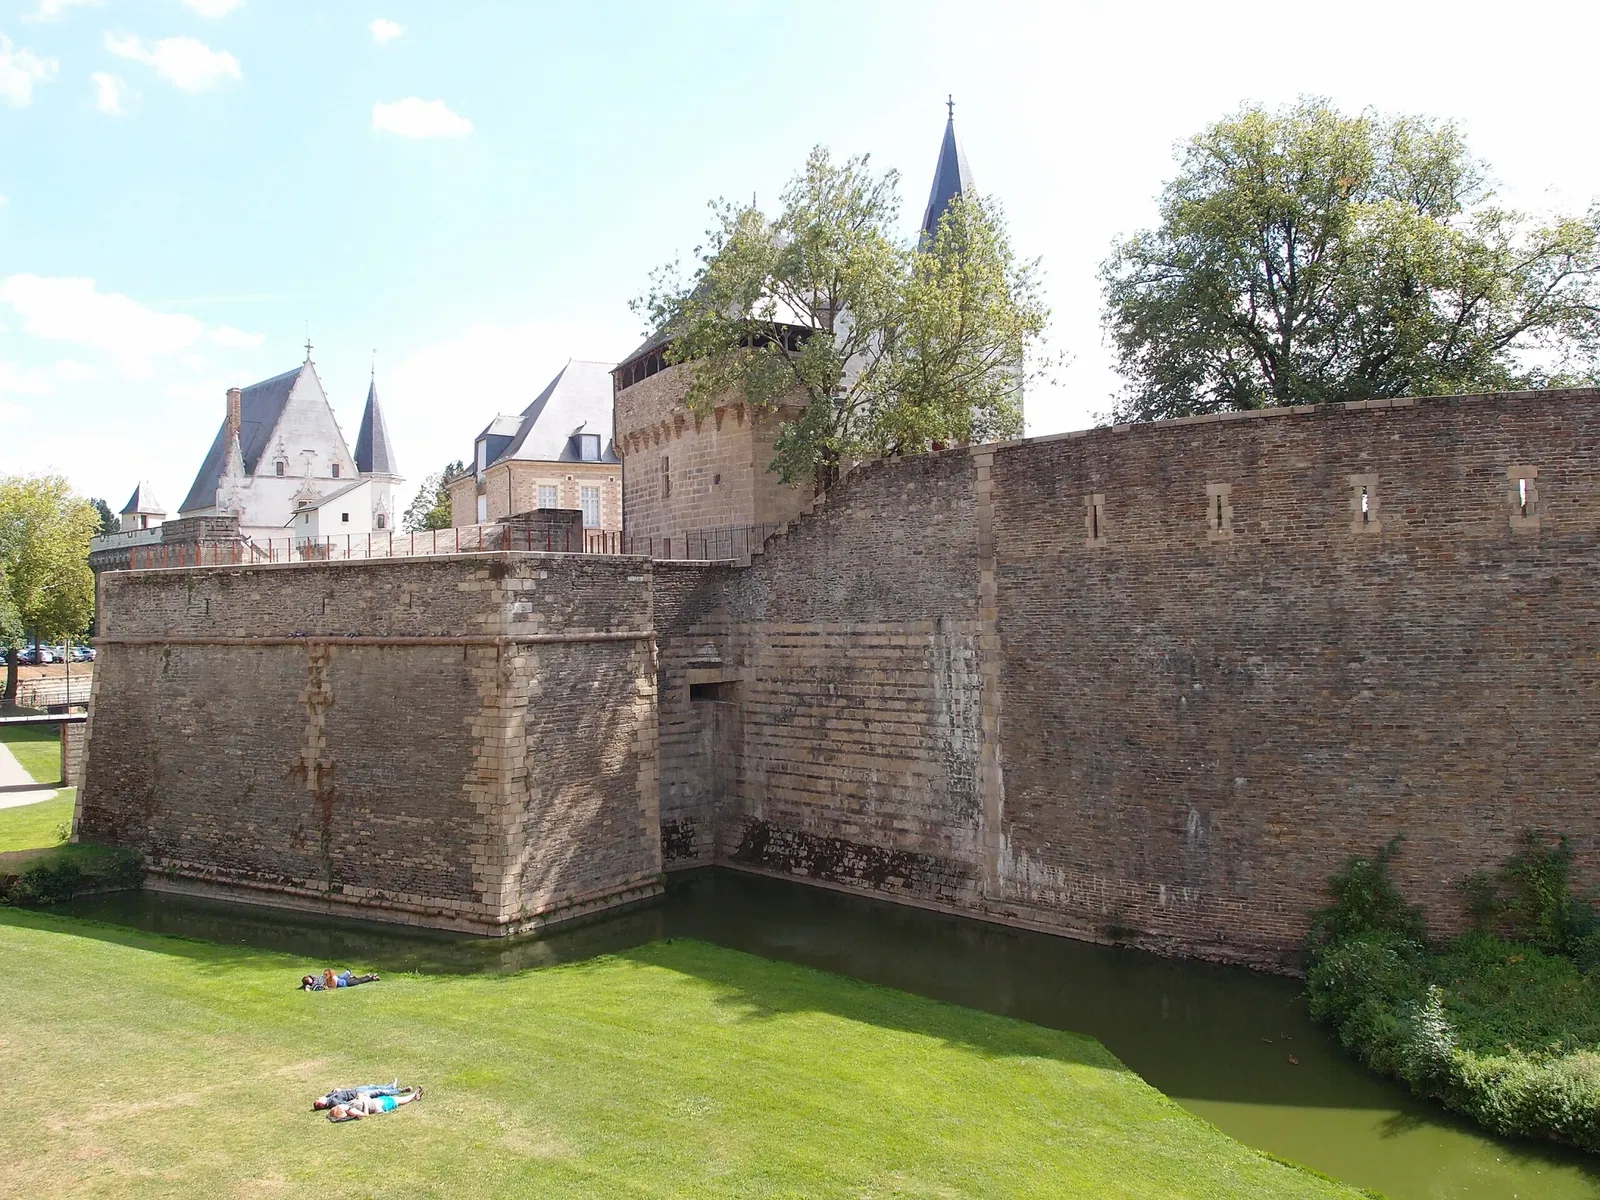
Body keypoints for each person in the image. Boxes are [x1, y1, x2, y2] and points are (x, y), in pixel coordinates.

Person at [328, 1085, 423, 1122]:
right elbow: (365, 1115)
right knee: (396, 1100)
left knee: (393, 1099)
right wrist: (364, 1102)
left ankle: (414, 1095)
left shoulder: (346, 1107)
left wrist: (359, 1098)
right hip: (378, 1105)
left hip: (375, 1102)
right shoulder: (351, 1110)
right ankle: (414, 1096)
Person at [313, 1080, 406, 1111]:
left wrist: (336, 1090)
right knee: (378, 1092)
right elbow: (346, 1103)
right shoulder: (333, 1102)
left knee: (372, 1087)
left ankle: (390, 1086)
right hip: (357, 1094)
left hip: (354, 1090)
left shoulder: (329, 1097)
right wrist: (359, 1098)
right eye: (319, 1099)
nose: (319, 1097)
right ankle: (399, 1090)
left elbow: (336, 1092)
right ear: (322, 1104)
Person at [299, 969, 380, 991]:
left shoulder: (315, 978)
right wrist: (306, 986)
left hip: (343, 981)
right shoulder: (313, 985)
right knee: (358, 981)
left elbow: (331, 987)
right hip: (344, 982)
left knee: (358, 981)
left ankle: (370, 977)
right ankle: (370, 977)